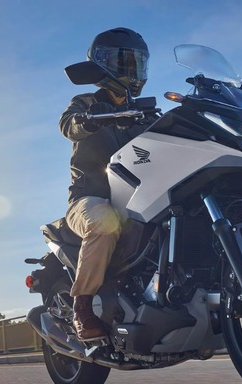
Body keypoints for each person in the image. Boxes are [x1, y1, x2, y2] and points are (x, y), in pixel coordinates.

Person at [58, 27, 151, 341]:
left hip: (133, 197)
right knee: (106, 224)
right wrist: (87, 118)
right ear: (101, 63)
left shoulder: (142, 112)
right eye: (121, 61)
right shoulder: (84, 102)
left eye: (135, 63)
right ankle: (82, 305)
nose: (130, 70)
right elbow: (68, 125)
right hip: (89, 199)